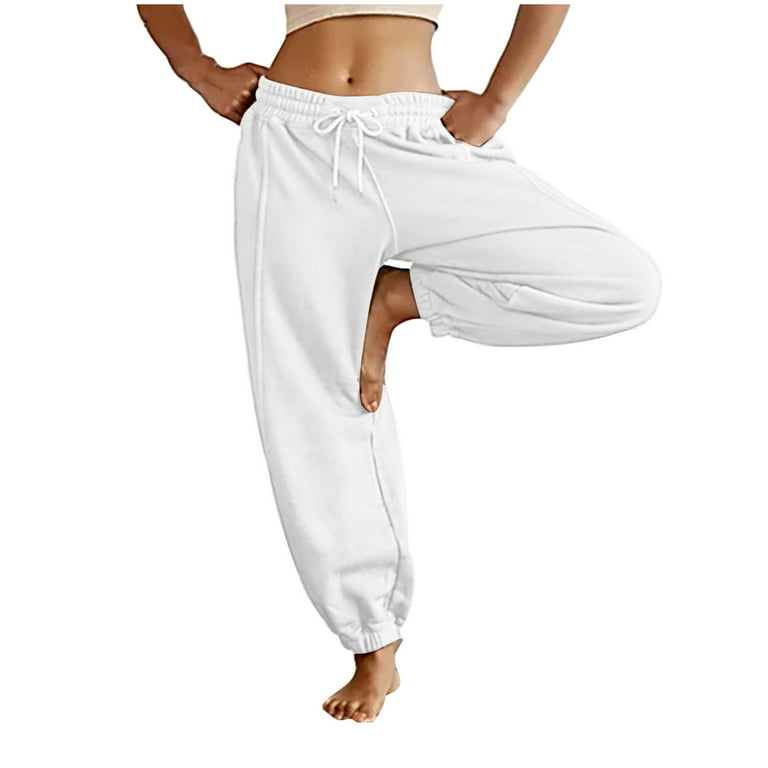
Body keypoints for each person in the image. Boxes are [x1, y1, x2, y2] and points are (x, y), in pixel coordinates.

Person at [137, 3, 662, 723]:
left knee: (623, 282)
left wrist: (499, 99)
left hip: (421, 132)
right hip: (294, 138)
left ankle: (397, 297)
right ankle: (373, 641)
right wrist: (192, 65)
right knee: (309, 393)